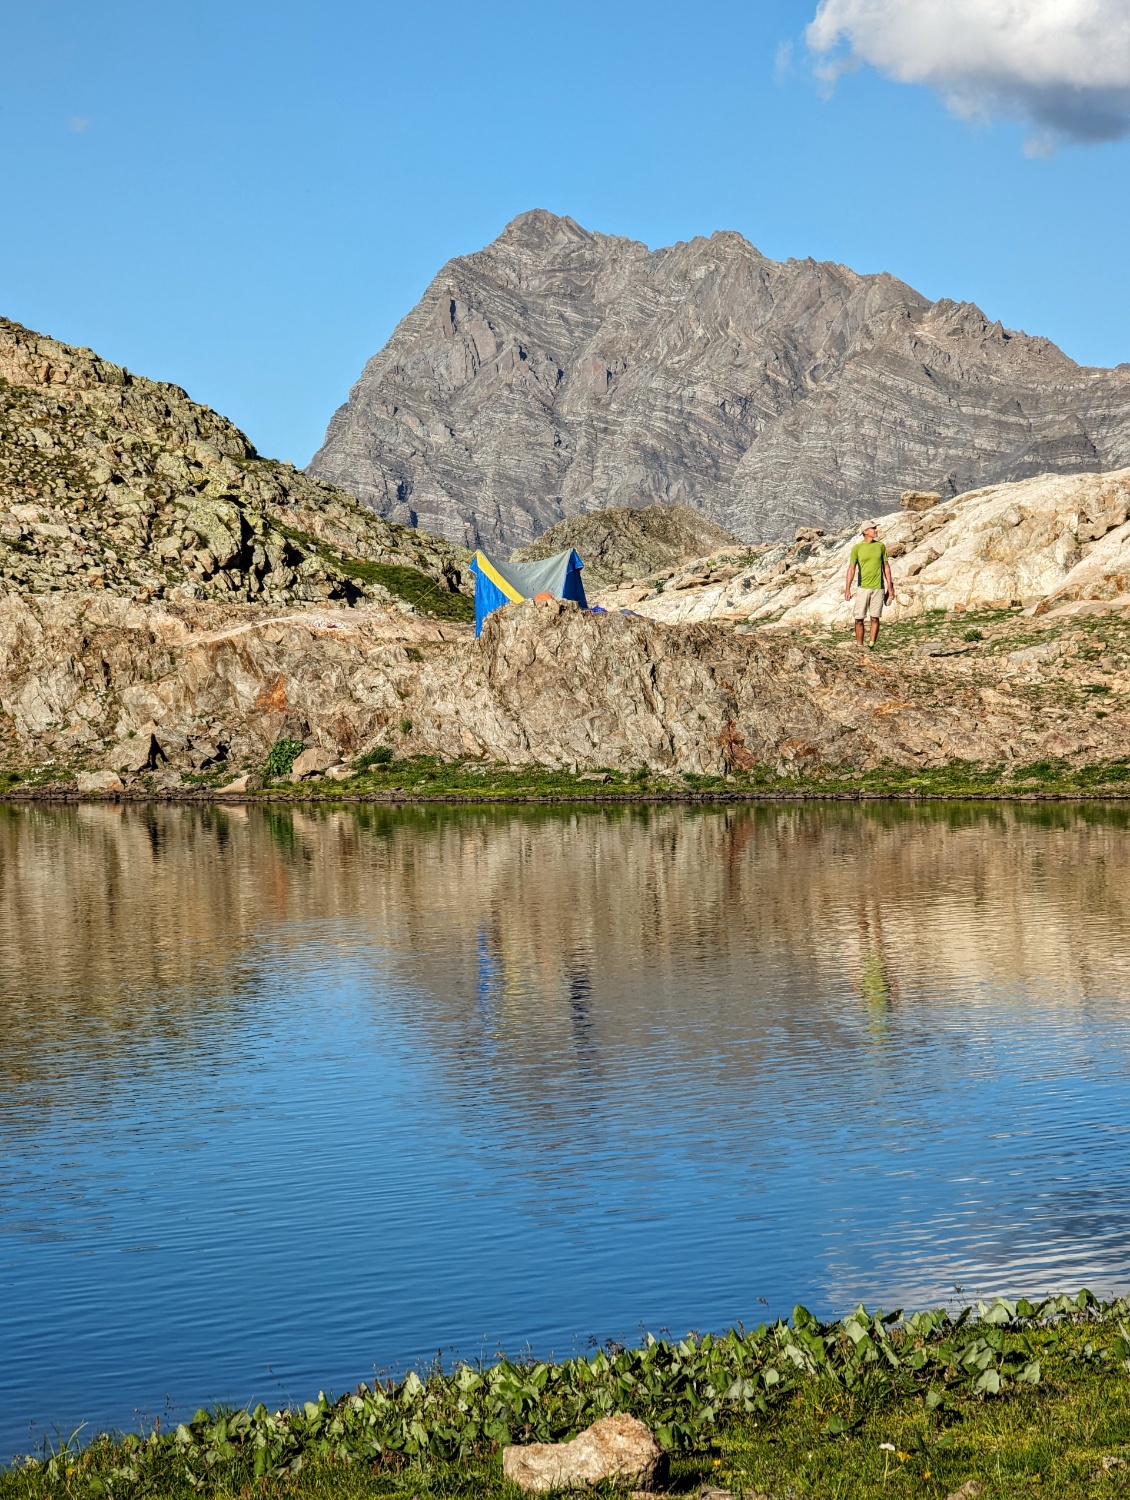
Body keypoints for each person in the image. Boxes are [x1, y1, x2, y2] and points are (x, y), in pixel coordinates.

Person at [844, 521, 895, 648]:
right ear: (865, 531)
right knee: (859, 618)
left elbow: (886, 567)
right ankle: (860, 645)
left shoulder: (880, 546)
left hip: (878, 587)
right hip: (863, 587)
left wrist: (890, 586)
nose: (876, 530)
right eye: (873, 528)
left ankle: (871, 645)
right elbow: (851, 568)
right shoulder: (857, 548)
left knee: (875, 617)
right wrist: (847, 589)